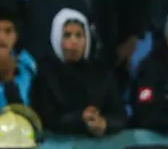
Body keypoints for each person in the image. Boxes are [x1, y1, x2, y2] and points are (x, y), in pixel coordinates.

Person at [31, 8, 126, 137]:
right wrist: (80, 118)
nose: (74, 41)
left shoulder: (101, 73)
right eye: (67, 35)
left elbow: (120, 116)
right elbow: (46, 119)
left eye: (79, 35)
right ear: (57, 38)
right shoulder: (46, 75)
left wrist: (104, 123)